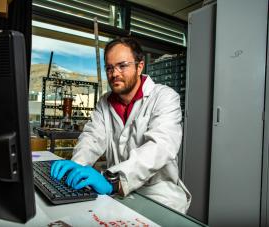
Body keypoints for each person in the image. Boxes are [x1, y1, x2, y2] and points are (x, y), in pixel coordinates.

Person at [50, 37, 191, 213]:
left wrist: (114, 180)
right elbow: (92, 138)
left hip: (157, 196)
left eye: (122, 65)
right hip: (117, 195)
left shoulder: (164, 97)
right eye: (109, 68)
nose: (114, 73)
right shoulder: (105, 102)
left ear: (140, 66)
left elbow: (160, 147)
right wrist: (77, 167)